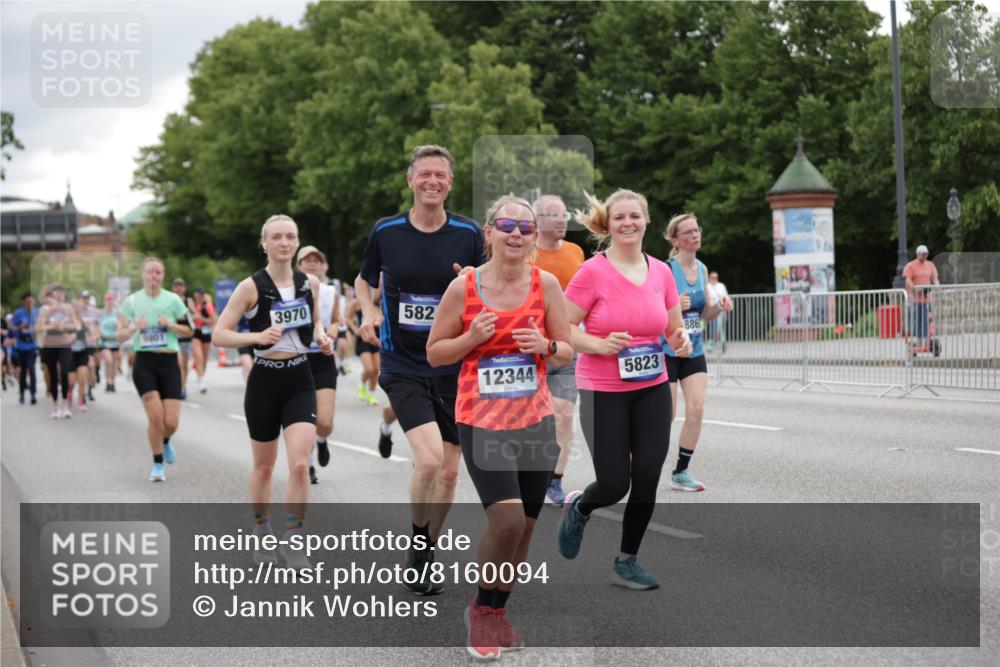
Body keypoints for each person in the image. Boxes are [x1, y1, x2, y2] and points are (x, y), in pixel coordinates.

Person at [428, 194, 573, 658]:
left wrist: (546, 346)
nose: (516, 234)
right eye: (506, 226)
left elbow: (567, 348)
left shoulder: (546, 284)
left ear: (533, 238)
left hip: (534, 420)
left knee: (524, 529)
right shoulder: (464, 287)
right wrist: (470, 338)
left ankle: (496, 610)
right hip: (482, 420)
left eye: (525, 228)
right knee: (506, 521)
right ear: (488, 233)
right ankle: (480, 612)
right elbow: (435, 353)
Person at [356, 144, 484, 594]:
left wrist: (473, 284)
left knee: (449, 472)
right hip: (403, 361)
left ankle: (425, 551)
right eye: (424, 173)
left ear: (451, 183)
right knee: (429, 460)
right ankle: (417, 540)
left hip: (453, 364)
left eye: (440, 175)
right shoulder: (387, 231)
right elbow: (364, 279)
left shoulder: (468, 233)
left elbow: (491, 286)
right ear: (411, 180)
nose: (432, 181)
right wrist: (369, 311)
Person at [556, 189, 691, 590]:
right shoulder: (592, 272)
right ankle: (581, 507)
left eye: (635, 216)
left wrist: (681, 339)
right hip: (603, 390)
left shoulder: (662, 272)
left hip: (652, 386)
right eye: (619, 217)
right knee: (615, 484)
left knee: (647, 476)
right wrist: (598, 345)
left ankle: (627, 561)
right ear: (609, 224)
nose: (628, 223)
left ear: (646, 220)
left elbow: (673, 326)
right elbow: (563, 328)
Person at [213, 214, 334, 568]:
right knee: (264, 468)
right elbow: (219, 333)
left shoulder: (309, 284)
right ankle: (262, 527)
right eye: (277, 237)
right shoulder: (250, 287)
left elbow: (315, 320)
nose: (283, 242)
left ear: (296, 242)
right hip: (264, 381)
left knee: (299, 464)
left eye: (290, 236)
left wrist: (322, 337)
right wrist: (256, 336)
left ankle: (294, 540)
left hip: (300, 378)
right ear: (264, 243)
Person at [662, 214, 733, 492]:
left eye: (696, 230)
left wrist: (720, 306)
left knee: (697, 410)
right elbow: (651, 311)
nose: (695, 235)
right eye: (688, 232)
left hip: (694, 350)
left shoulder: (702, 269)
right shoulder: (666, 270)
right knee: (665, 416)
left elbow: (704, 314)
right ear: (675, 240)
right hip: (668, 349)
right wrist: (672, 306)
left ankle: (681, 472)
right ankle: (641, 464)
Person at [529, 194, 585, 506]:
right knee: (533, 419)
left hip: (564, 348)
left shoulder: (576, 252)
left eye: (564, 214)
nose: (562, 220)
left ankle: (554, 480)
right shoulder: (526, 253)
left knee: (563, 414)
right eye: (553, 214)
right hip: (528, 349)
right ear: (537, 221)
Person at [117, 258, 192, 481]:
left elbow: (189, 330)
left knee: (171, 423)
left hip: (169, 363)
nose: (154, 276)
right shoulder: (131, 302)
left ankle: (166, 440)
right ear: (142, 275)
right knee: (155, 418)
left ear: (163, 275)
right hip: (144, 363)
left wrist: (170, 324)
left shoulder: (173, 300)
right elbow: (119, 335)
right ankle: (158, 464)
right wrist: (134, 327)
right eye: (150, 272)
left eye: (158, 272)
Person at [296, 245, 340, 481]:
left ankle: (322, 439)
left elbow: (336, 321)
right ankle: (309, 465)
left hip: (323, 358)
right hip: (297, 359)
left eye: (317, 260)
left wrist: (330, 333)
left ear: (324, 266)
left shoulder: (331, 292)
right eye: (307, 260)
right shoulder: (288, 291)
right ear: (298, 265)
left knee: (324, 422)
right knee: (305, 418)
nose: (313, 264)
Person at [36, 284, 80, 419]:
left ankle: (65, 405)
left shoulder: (68, 308)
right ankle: (55, 406)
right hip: (49, 345)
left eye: (63, 292)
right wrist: (51, 326)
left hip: (64, 344)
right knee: (53, 374)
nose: (61, 295)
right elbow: (38, 328)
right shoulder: (45, 309)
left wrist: (64, 326)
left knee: (65, 371)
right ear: (53, 294)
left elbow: (76, 325)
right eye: (58, 292)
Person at [347, 287, 381, 406]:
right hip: (363, 338)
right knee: (369, 369)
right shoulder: (357, 301)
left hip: (376, 337)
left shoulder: (378, 300)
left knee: (376, 369)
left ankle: (371, 394)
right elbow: (348, 318)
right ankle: (362, 384)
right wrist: (355, 329)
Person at [903, 244, 940, 347]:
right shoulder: (911, 266)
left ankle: (928, 340)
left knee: (928, 320)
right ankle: (918, 340)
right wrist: (915, 288)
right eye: (923, 254)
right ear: (918, 254)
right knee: (917, 321)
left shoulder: (930, 265)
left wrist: (937, 286)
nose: (925, 256)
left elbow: (935, 278)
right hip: (915, 299)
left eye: (926, 254)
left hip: (927, 298)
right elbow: (908, 280)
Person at [188, 286, 216, 394]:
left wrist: (200, 318)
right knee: (198, 357)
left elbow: (213, 320)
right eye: (198, 294)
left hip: (206, 333)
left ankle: (201, 376)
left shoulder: (207, 306)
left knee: (204, 358)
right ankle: (201, 380)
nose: (199, 296)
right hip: (196, 332)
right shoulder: (192, 305)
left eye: (201, 294)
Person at [12, 293, 39, 405]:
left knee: (32, 368)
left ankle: (33, 394)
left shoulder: (37, 312)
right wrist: (20, 326)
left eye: (32, 302)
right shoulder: (18, 313)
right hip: (21, 345)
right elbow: (12, 329)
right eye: (28, 302)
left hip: (33, 345)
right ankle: (22, 393)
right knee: (23, 370)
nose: (30, 304)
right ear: (24, 302)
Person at [172, 278, 193, 399]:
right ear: (173, 288)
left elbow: (195, 314)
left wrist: (186, 314)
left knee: (184, 363)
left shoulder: (188, 301)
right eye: (176, 286)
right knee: (178, 363)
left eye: (180, 286)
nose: (178, 288)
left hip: (185, 335)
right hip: (173, 335)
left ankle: (183, 387)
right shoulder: (170, 300)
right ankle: (178, 386)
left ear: (184, 288)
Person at [99, 293, 122, 392]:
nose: (109, 302)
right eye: (108, 300)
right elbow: (98, 326)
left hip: (115, 341)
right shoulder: (101, 313)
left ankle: (112, 382)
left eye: (111, 300)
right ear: (105, 301)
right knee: (108, 361)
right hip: (105, 341)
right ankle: (107, 381)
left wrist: (118, 326)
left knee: (114, 363)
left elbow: (121, 326)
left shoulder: (116, 313)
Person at [705, 271, 729, 351]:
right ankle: (711, 343)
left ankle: (723, 343)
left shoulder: (721, 286)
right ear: (709, 278)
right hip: (712, 309)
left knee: (721, 327)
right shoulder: (707, 286)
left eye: (715, 278)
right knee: (712, 326)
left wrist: (725, 306)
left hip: (721, 309)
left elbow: (725, 296)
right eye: (712, 278)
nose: (714, 279)